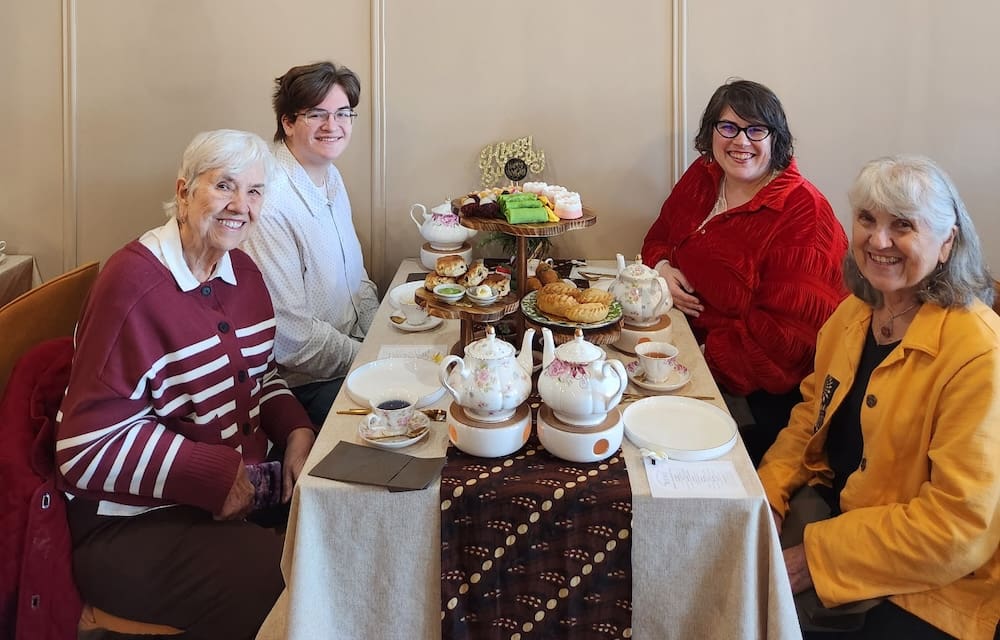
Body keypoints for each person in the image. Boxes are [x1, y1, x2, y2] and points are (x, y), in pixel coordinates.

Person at [55, 129, 316, 639]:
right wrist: (214, 477)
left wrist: (297, 432)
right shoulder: (132, 286)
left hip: (235, 497)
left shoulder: (242, 272)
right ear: (183, 192)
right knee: (291, 582)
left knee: (344, 528)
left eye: (255, 191)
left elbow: (260, 376)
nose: (241, 205)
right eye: (224, 186)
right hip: (131, 527)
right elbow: (83, 450)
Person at [758, 156, 1000, 639]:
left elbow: (958, 526)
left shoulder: (979, 352)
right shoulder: (853, 314)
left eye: (903, 225)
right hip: (838, 516)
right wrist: (768, 494)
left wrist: (815, 557)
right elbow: (810, 417)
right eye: (867, 219)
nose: (878, 240)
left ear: (947, 242)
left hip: (930, 586)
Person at [641, 79, 848, 465]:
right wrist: (662, 266)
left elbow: (786, 344)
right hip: (685, 344)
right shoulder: (704, 175)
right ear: (712, 132)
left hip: (757, 397)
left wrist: (695, 359)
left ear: (776, 138)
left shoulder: (803, 212)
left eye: (756, 130)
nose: (741, 141)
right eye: (729, 127)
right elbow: (658, 236)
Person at [242, 61, 380, 427]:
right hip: (302, 383)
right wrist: (370, 356)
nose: (332, 126)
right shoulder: (270, 202)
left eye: (343, 113)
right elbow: (292, 340)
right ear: (287, 121)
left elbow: (358, 280)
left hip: (351, 350)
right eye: (316, 114)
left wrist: (380, 336)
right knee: (416, 411)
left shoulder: (329, 175)